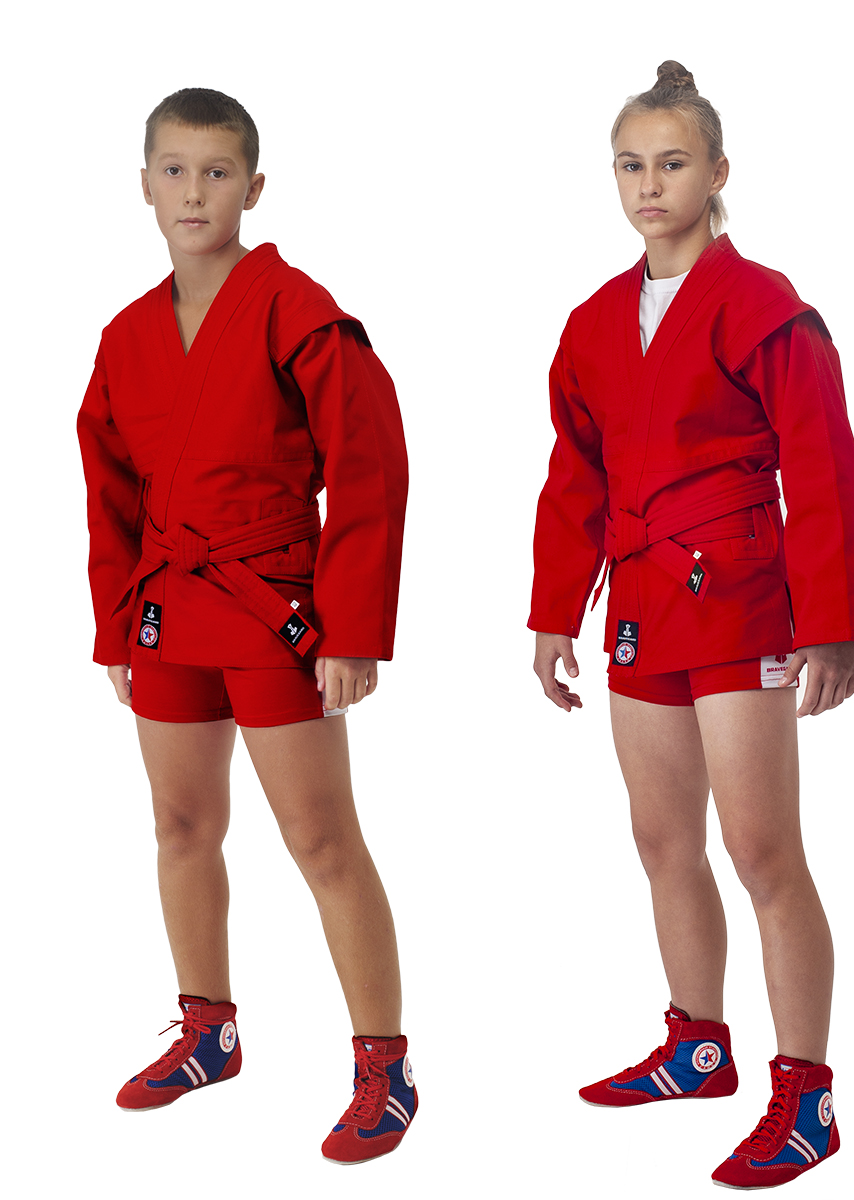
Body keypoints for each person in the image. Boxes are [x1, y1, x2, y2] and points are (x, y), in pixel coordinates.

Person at [529, 62, 854, 1190]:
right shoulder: (592, 322)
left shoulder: (762, 305)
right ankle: (696, 1048)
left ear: (718, 172)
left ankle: (807, 1099)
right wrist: (554, 610)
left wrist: (833, 624)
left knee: (764, 851)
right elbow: (574, 475)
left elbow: (821, 465)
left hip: (738, 595)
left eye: (672, 163)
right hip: (638, 602)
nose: (649, 185)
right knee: (661, 838)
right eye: (630, 165)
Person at [77, 88, 416, 1166]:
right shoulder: (126, 335)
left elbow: (369, 465)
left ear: (253, 188)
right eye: (174, 171)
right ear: (144, 185)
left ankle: (386, 1070)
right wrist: (118, 628)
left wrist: (353, 630)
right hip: (168, 610)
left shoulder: (297, 309)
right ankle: (207, 1033)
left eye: (217, 172)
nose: (194, 192)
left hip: (275, 609)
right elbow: (109, 490)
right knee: (181, 827)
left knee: (321, 838)